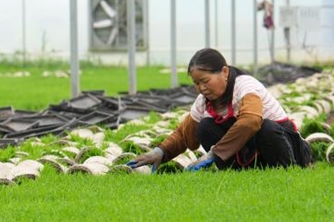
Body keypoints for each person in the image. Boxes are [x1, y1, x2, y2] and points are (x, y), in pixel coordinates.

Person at [131, 48, 312, 171]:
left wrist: (215, 153)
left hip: (288, 149)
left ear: (225, 72)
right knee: (204, 127)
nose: (201, 88)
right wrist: (160, 153)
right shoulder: (204, 101)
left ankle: (288, 170)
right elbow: (185, 133)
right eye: (196, 83)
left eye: (205, 81)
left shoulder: (245, 86)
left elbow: (251, 120)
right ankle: (239, 173)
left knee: (265, 127)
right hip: (254, 155)